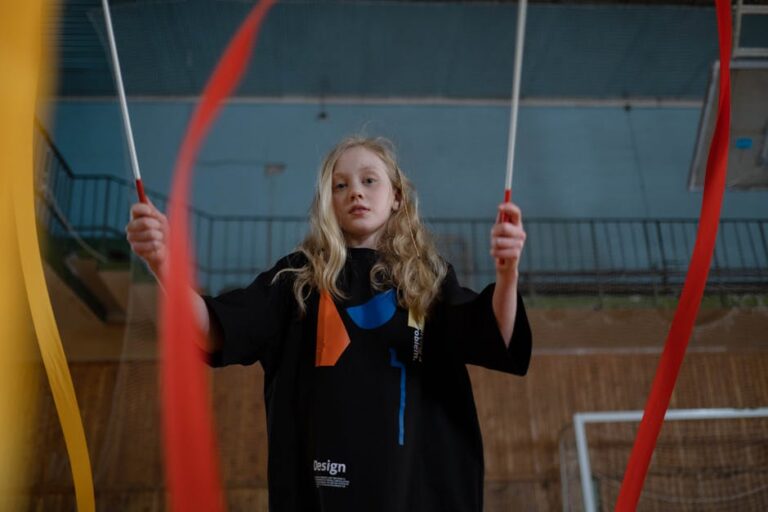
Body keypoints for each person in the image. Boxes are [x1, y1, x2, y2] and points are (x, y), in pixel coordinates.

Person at [126, 136, 532, 512]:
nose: (355, 191)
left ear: (396, 197)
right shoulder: (294, 280)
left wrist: (508, 271)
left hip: (419, 494)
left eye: (369, 180)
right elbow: (213, 329)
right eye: (340, 185)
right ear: (327, 202)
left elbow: (495, 334)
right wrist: (163, 263)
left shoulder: (429, 279)